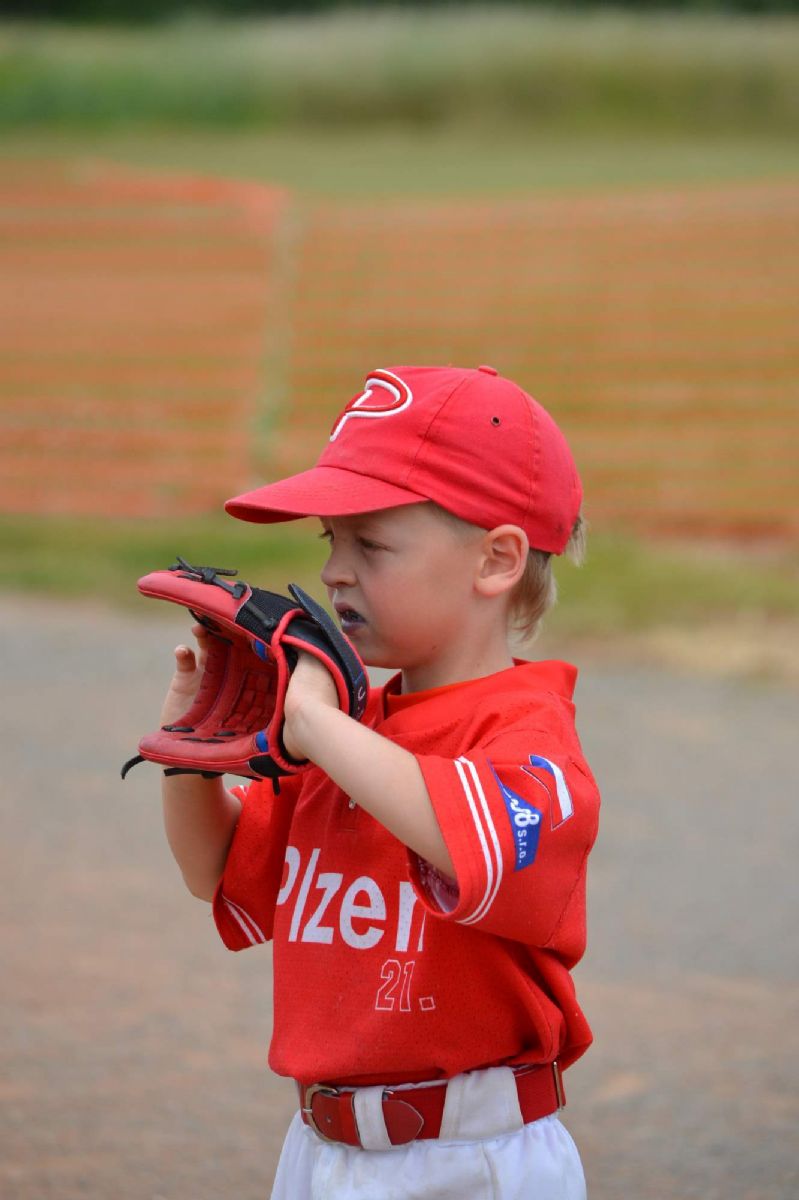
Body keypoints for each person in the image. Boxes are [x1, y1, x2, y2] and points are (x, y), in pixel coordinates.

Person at [160, 365, 600, 1200]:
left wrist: (319, 727)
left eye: (372, 543)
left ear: (496, 560)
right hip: (319, 1151)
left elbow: (468, 840)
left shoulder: (529, 735)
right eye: (330, 540)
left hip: (470, 1158)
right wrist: (194, 746)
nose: (334, 572)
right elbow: (215, 874)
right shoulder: (349, 727)